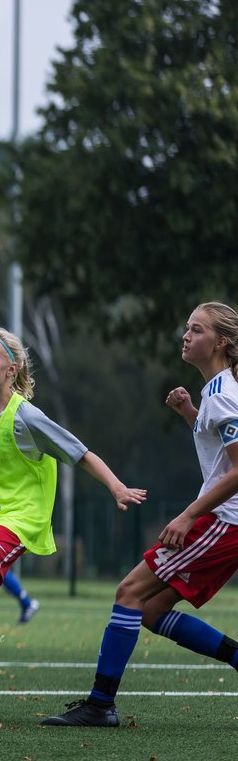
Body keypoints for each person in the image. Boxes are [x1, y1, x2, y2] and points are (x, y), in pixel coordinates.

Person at [0, 327, 144, 722]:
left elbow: (80, 453)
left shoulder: (26, 417)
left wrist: (116, 487)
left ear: (11, 369)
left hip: (19, 518)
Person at [42, 302, 238, 727]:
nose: (186, 336)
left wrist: (188, 516)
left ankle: (100, 704)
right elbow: (220, 454)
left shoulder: (223, 395)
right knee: (147, 610)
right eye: (186, 328)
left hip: (223, 522)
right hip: (224, 522)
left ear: (221, 342)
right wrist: (190, 413)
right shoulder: (215, 392)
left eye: (197, 330)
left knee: (129, 592)